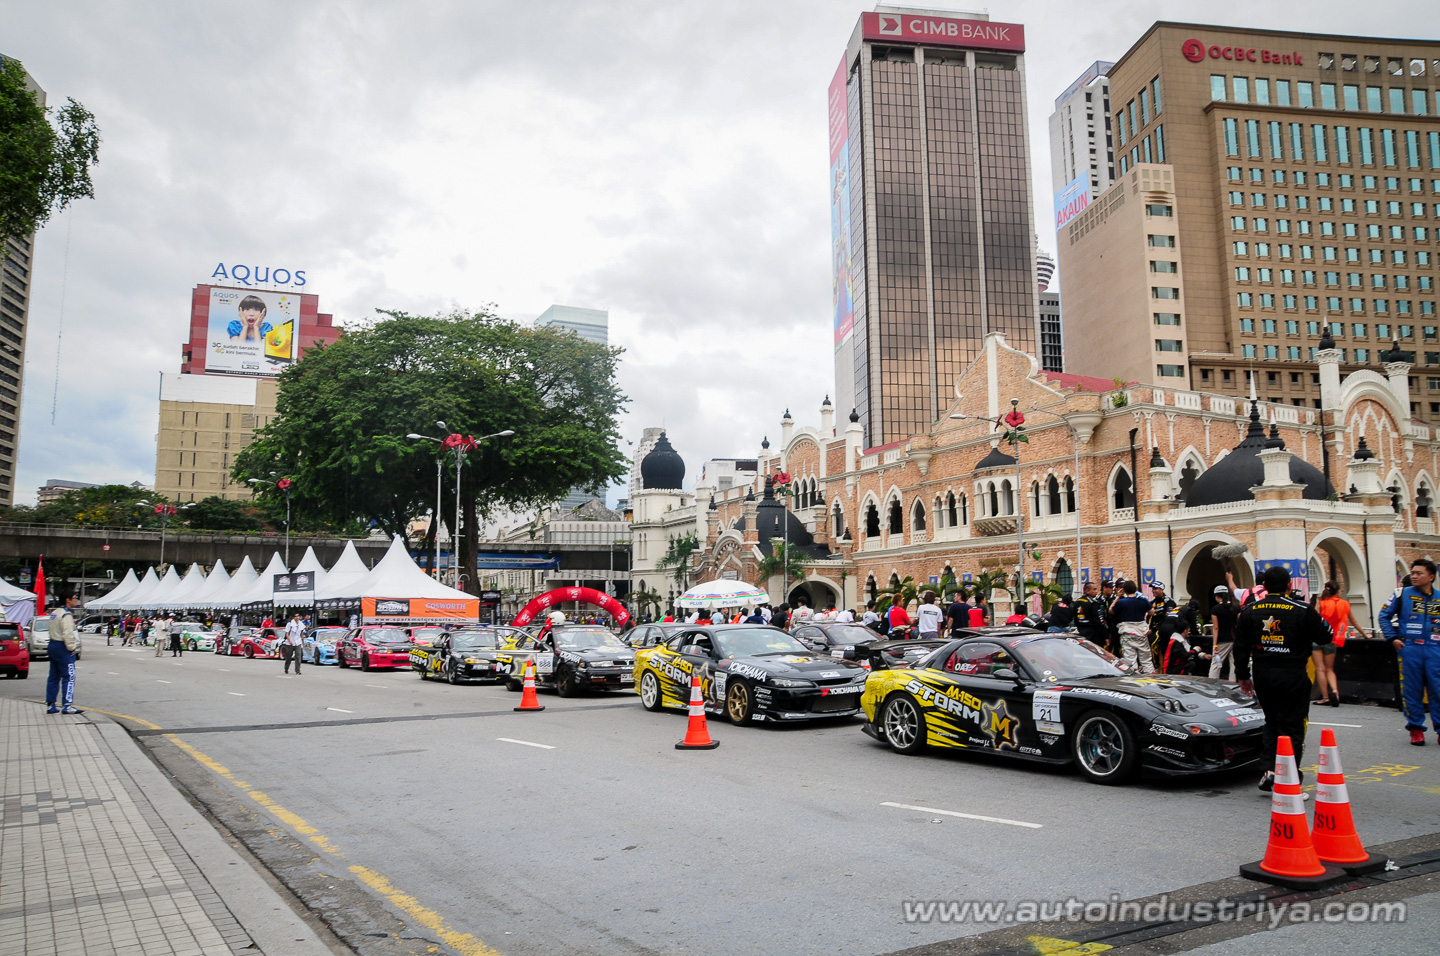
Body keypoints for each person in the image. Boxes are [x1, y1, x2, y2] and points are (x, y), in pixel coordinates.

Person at [1236, 565, 1332, 791]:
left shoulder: (1250, 610)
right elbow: (1326, 635)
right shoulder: (1301, 608)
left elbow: (1241, 647)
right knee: (1292, 725)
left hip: (1263, 673)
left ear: (1264, 586)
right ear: (1290, 585)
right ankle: (1288, 778)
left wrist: (1242, 676)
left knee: (1271, 721)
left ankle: (1270, 769)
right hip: (1292, 673)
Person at [1379, 558, 1440, 746]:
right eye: (1412, 573)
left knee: (1438, 690)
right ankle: (1415, 729)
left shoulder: (1439, 597)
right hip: (1410, 649)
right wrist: (1392, 638)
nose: (1413, 576)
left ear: (1431, 577)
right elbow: (1384, 616)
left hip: (1435, 650)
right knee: (1411, 691)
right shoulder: (1401, 594)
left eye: (1418, 573)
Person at [1315, 580, 1368, 707]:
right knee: (1329, 669)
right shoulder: (1345, 604)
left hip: (1317, 639)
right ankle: (1334, 691)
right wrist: (1365, 634)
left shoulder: (1321, 603)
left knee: (1320, 669)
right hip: (1333, 640)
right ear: (1338, 591)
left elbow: (1313, 620)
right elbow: (1354, 622)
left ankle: (1325, 697)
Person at [45, 594, 84, 715]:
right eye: (74, 598)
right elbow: (68, 633)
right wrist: (72, 648)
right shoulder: (66, 615)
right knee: (69, 676)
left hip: (52, 644)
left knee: (53, 676)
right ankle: (67, 704)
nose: (76, 600)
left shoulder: (55, 613)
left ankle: (51, 704)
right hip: (62, 647)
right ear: (67, 600)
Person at [1112, 581, 1156, 673]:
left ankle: (1134, 680)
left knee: (1130, 660)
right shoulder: (1143, 601)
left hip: (1127, 632)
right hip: (1141, 632)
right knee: (1146, 660)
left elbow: (1111, 610)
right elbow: (1152, 612)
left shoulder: (1121, 602)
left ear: (1124, 590)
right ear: (1135, 589)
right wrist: (1145, 601)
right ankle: (1151, 678)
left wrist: (1118, 596)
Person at [1209, 585, 1239, 680]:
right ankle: (1232, 684)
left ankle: (1212, 684)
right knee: (1234, 664)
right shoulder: (1237, 608)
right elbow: (1239, 624)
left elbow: (1216, 627)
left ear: (1217, 596)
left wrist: (1214, 644)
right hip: (1235, 639)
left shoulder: (1215, 609)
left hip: (1222, 640)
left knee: (1216, 664)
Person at [1074, 582, 1109, 651]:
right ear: (1087, 590)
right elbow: (1099, 621)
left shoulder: (1077, 602)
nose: (1096, 592)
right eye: (1094, 589)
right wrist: (1106, 635)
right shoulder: (1094, 603)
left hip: (1082, 632)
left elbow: (1075, 619)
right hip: (1094, 634)